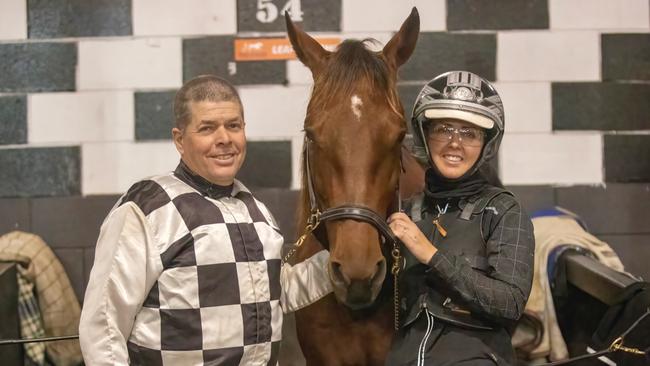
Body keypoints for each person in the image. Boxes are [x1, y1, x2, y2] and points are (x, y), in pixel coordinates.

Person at [79, 75, 332, 366]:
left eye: (233, 126)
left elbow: (275, 293)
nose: (224, 139)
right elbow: (103, 325)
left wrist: (340, 264)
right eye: (207, 128)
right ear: (179, 139)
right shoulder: (146, 208)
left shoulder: (257, 212)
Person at [386, 71, 535, 365]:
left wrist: (431, 255)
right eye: (443, 129)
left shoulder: (503, 210)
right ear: (425, 135)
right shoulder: (405, 213)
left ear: (485, 144)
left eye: (469, 133)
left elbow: (510, 302)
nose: (455, 143)